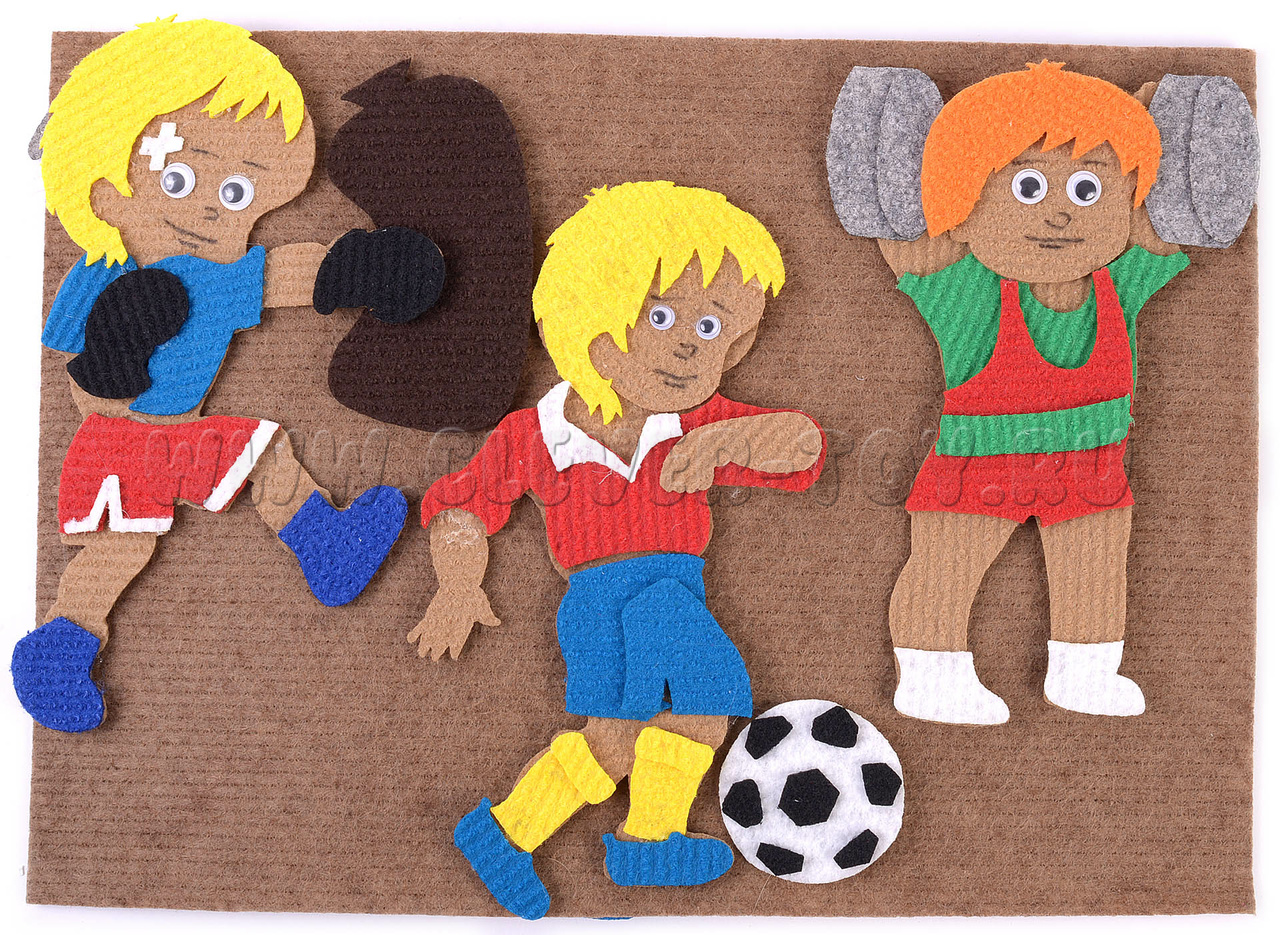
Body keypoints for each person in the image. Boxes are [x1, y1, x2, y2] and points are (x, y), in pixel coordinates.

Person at [413, 181, 826, 918]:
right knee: (670, 709)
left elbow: (803, 445)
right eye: (660, 315)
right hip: (601, 603)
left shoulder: (695, 421)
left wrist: (728, 440)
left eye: (712, 329)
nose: (686, 345)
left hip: (671, 589)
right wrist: (457, 581)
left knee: (645, 724)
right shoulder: (535, 434)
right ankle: (629, 837)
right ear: (588, 310)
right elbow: (461, 505)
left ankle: (527, 832)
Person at [13, 18, 419, 734]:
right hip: (116, 440)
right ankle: (62, 645)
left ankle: (327, 547)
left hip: (180, 437)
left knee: (264, 454)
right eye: (178, 179)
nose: (209, 207)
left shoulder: (215, 278)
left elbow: (285, 273)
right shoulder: (102, 274)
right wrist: (112, 359)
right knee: (120, 547)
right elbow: (76, 379)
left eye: (237, 194)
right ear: (104, 188)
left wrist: (358, 268)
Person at [876, 62, 1189, 724]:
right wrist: (898, 140)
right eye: (1025, 186)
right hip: (979, 468)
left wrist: (1180, 125)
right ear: (962, 208)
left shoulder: (1121, 280)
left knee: (1094, 565)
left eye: (1087, 188)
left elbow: (1175, 221)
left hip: (1092, 470)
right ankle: (930, 673)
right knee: (946, 568)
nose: (1058, 212)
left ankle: (1087, 670)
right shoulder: (965, 291)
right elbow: (909, 239)